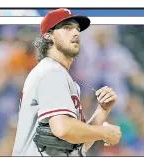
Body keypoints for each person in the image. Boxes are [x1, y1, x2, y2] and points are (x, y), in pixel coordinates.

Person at [12, 8, 122, 157]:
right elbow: (63, 128)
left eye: (77, 29)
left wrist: (102, 111)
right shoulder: (51, 72)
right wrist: (105, 132)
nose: (76, 33)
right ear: (48, 36)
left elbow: (76, 147)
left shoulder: (58, 74)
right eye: (67, 28)